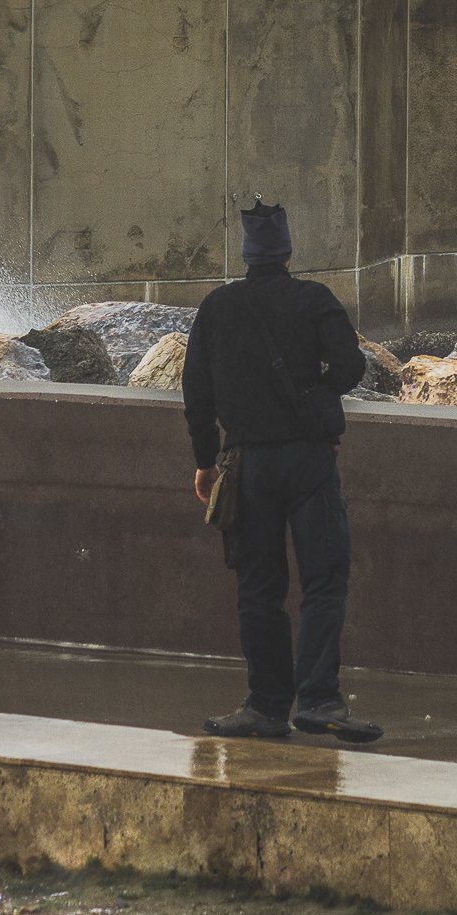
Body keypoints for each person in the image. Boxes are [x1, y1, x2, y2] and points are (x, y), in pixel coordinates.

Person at [181, 197, 382, 743]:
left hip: (245, 467)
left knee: (258, 587)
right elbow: (350, 365)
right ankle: (319, 699)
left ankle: (266, 706)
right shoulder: (313, 299)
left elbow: (195, 392)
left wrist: (205, 461)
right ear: (287, 252)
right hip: (309, 461)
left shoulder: (217, 308)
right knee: (323, 579)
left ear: (247, 253)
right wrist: (314, 394)